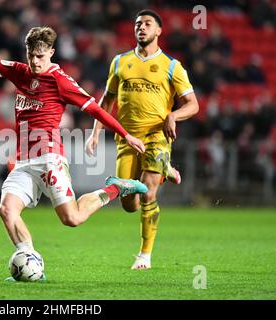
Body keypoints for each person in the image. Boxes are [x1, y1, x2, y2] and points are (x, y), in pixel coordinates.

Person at [0, 26, 148, 280]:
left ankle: (116, 187)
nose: (35, 61)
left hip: (49, 160)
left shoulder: (61, 81)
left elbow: (96, 110)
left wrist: (126, 135)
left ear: (52, 53)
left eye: (41, 56)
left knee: (72, 219)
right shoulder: (20, 72)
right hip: (24, 162)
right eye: (31, 55)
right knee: (6, 210)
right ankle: (31, 263)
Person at [86, 9, 199, 270]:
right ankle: (165, 171)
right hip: (127, 138)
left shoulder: (172, 66)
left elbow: (193, 105)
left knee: (148, 193)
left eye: (148, 24)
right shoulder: (120, 62)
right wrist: (94, 134)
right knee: (128, 204)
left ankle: (144, 255)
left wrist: (173, 116)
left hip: (156, 137)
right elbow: (106, 101)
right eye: (138, 23)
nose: (142, 27)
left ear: (159, 31)